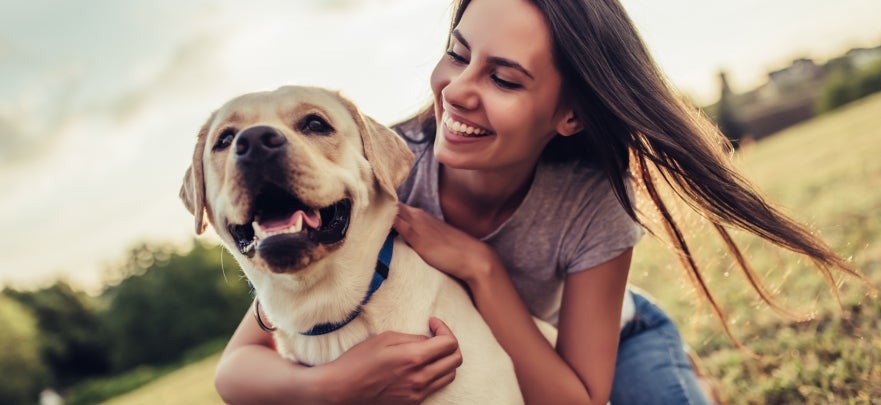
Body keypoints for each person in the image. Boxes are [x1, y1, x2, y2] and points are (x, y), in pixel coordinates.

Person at [214, 0, 857, 404]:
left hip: (610, 345)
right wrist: (337, 387)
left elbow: (577, 399)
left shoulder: (593, 202)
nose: (457, 92)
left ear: (570, 112)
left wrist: (481, 268)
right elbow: (238, 367)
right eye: (457, 55)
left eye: (503, 78)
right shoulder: (379, 170)